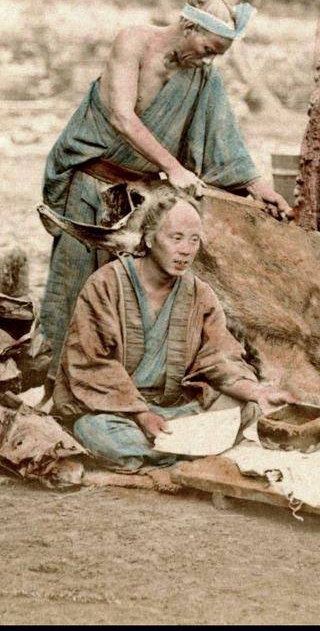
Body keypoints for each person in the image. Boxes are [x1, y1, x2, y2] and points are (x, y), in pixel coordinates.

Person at [39, 0, 293, 376]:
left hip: (138, 198)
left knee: (126, 291)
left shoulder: (203, 77)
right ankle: (60, 382)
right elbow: (121, 117)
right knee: (75, 282)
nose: (208, 60)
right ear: (188, 25)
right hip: (91, 180)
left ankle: (114, 386)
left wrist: (258, 186)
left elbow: (224, 141)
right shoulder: (134, 42)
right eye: (208, 48)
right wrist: (173, 167)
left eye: (216, 55)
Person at [53, 194, 294, 472]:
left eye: (194, 240)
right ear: (150, 238)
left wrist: (257, 391)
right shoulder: (105, 285)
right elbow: (90, 362)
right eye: (176, 238)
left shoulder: (199, 294)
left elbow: (219, 357)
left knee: (245, 408)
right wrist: (142, 414)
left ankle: (170, 449)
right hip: (118, 411)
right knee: (94, 431)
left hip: (176, 411)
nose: (186, 250)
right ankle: (189, 451)